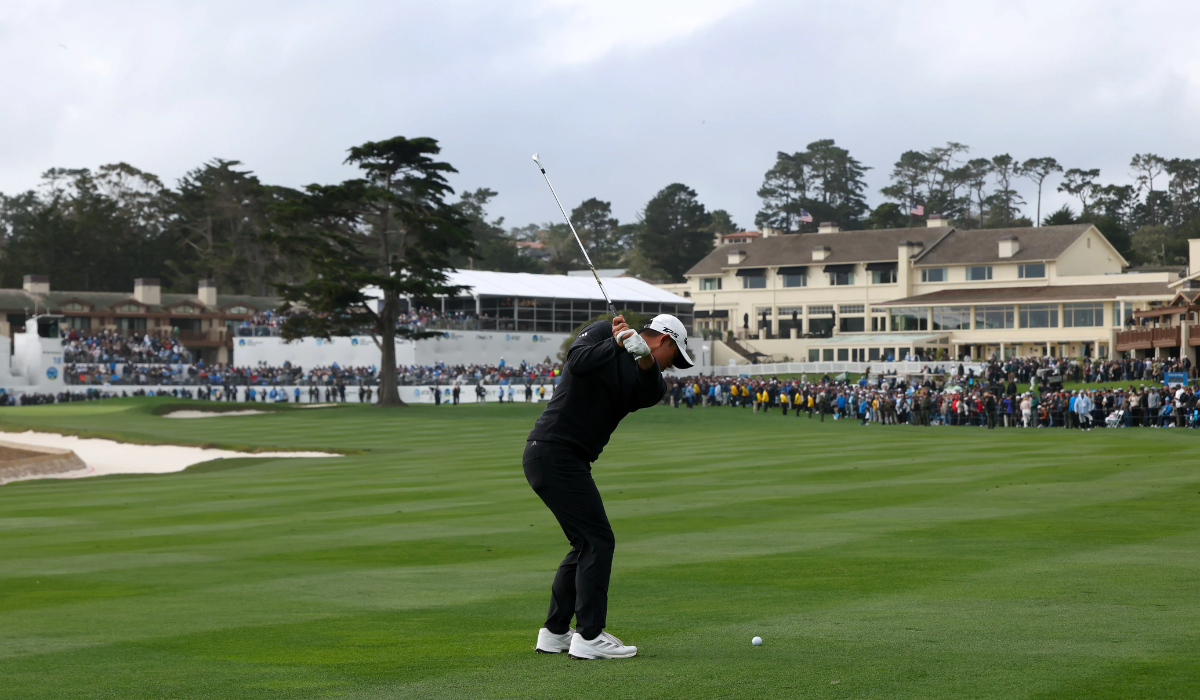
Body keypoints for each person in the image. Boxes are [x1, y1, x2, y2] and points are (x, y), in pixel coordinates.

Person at [525, 314, 692, 660]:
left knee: (585, 543)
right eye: (673, 357)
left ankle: (555, 632)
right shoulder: (604, 330)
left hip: (565, 457)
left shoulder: (654, 384)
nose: (671, 367)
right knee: (597, 541)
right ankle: (588, 635)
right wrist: (616, 342)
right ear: (665, 340)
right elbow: (577, 362)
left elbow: (648, 388)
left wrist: (642, 356)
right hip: (554, 450)